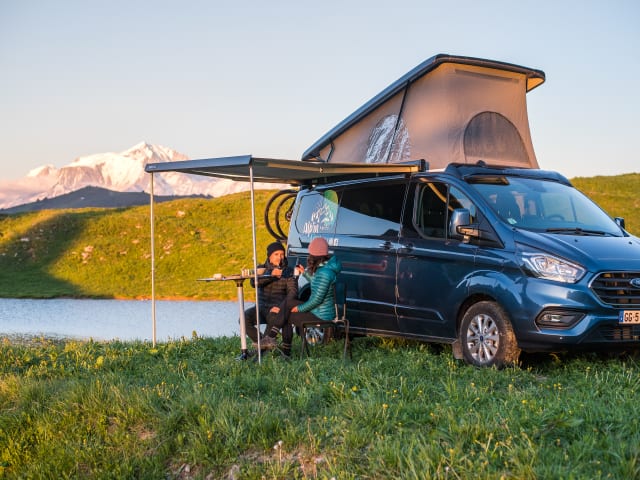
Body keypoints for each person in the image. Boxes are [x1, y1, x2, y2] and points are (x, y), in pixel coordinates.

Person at [262, 237, 341, 356]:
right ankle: (273, 341)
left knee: (285, 313)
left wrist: (300, 308)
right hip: (319, 311)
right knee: (288, 305)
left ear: (315, 255)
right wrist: (304, 273)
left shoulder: (324, 273)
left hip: (321, 316)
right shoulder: (325, 269)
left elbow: (316, 300)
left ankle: (277, 345)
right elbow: (317, 283)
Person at [241, 241, 297, 348]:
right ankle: (263, 342)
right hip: (260, 308)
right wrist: (270, 275)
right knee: (243, 318)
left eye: (282, 254)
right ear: (269, 256)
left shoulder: (288, 271)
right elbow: (254, 283)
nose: (279, 257)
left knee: (275, 318)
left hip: (276, 309)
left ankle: (262, 349)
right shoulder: (261, 268)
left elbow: (293, 292)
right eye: (276, 254)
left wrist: (281, 308)